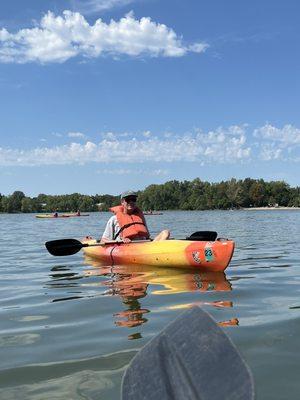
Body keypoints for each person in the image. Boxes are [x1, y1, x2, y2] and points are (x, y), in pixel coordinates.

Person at [101, 191, 170, 243]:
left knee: (166, 232)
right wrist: (121, 241)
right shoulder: (114, 219)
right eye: (128, 199)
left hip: (144, 246)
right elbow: (103, 240)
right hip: (125, 247)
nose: (131, 202)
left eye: (133, 199)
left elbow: (147, 237)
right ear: (122, 202)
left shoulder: (140, 217)